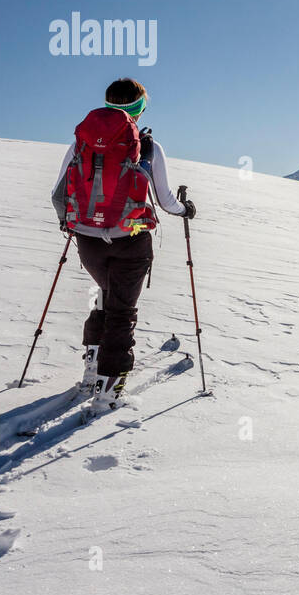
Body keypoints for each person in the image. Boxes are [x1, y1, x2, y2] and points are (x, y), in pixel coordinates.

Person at [50, 78, 196, 404]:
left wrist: (72, 223)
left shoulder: (81, 142)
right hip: (131, 240)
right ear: (139, 109)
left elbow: (58, 193)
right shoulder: (147, 147)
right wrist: (186, 209)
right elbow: (165, 200)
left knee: (105, 298)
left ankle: (92, 370)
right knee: (121, 311)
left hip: (88, 241)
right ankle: (108, 389)